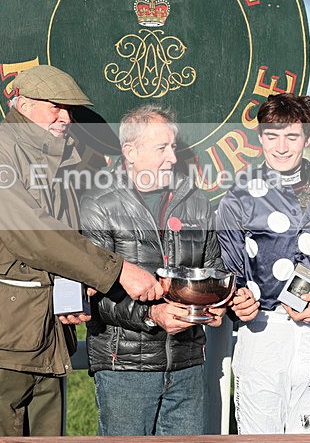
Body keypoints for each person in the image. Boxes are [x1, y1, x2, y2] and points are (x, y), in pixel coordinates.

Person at [0, 65, 162, 440]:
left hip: (46, 339)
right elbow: (33, 236)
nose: (66, 118)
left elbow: (64, 246)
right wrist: (117, 271)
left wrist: (74, 290)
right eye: (56, 107)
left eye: (70, 109)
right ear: (23, 104)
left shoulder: (57, 160)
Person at [79, 105, 259, 436]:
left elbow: (213, 271)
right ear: (130, 152)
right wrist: (152, 315)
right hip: (126, 369)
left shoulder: (196, 202)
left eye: (172, 147)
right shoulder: (98, 205)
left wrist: (225, 302)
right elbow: (91, 297)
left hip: (188, 366)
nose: (172, 158)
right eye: (161, 148)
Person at [216, 93, 310, 434]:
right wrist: (239, 300)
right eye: (272, 135)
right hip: (263, 333)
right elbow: (227, 272)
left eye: (291, 136)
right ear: (260, 138)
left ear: (307, 138)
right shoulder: (238, 198)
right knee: (260, 437)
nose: (281, 147)